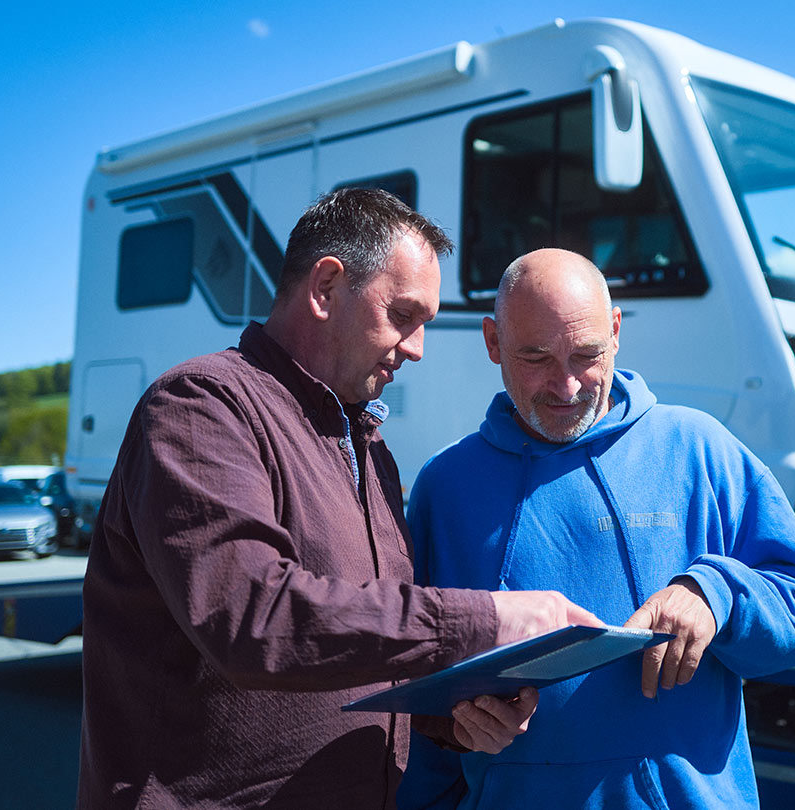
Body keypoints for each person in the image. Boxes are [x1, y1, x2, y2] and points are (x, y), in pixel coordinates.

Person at [77, 189, 599, 810]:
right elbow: (254, 618)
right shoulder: (201, 407)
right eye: (404, 315)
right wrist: (492, 620)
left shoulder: (368, 446)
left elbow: (357, 644)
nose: (417, 347)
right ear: (325, 288)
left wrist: (449, 714)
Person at [401, 248, 795, 809]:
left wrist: (715, 593)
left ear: (617, 331)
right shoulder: (445, 487)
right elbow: (413, 681)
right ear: (492, 342)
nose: (568, 386)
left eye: (587, 354)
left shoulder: (698, 449)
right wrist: (454, 724)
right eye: (535, 357)